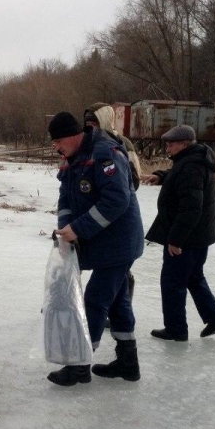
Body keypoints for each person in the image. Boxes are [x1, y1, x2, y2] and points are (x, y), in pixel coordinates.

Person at [48, 111, 144, 386]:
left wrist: (79, 229)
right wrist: (67, 230)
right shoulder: (71, 159)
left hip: (119, 243)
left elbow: (116, 200)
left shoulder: (105, 153)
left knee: (95, 300)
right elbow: (66, 197)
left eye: (57, 141)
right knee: (118, 302)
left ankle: (78, 366)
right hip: (101, 243)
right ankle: (128, 363)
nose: (56, 147)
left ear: (73, 135)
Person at [142, 124, 215, 341]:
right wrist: (160, 176)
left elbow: (191, 208)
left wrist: (175, 239)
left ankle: (176, 329)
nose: (168, 148)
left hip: (187, 239)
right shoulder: (194, 160)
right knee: (194, 277)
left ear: (184, 144)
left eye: (171, 144)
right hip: (200, 236)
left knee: (172, 282)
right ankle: (214, 319)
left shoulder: (191, 166)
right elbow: (176, 174)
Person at [83, 103, 142, 312]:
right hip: (93, 212)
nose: (90, 127)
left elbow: (134, 178)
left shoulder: (120, 143)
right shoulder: (86, 143)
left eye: (94, 122)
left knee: (117, 266)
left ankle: (121, 304)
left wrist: (112, 192)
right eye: (87, 123)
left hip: (118, 215)